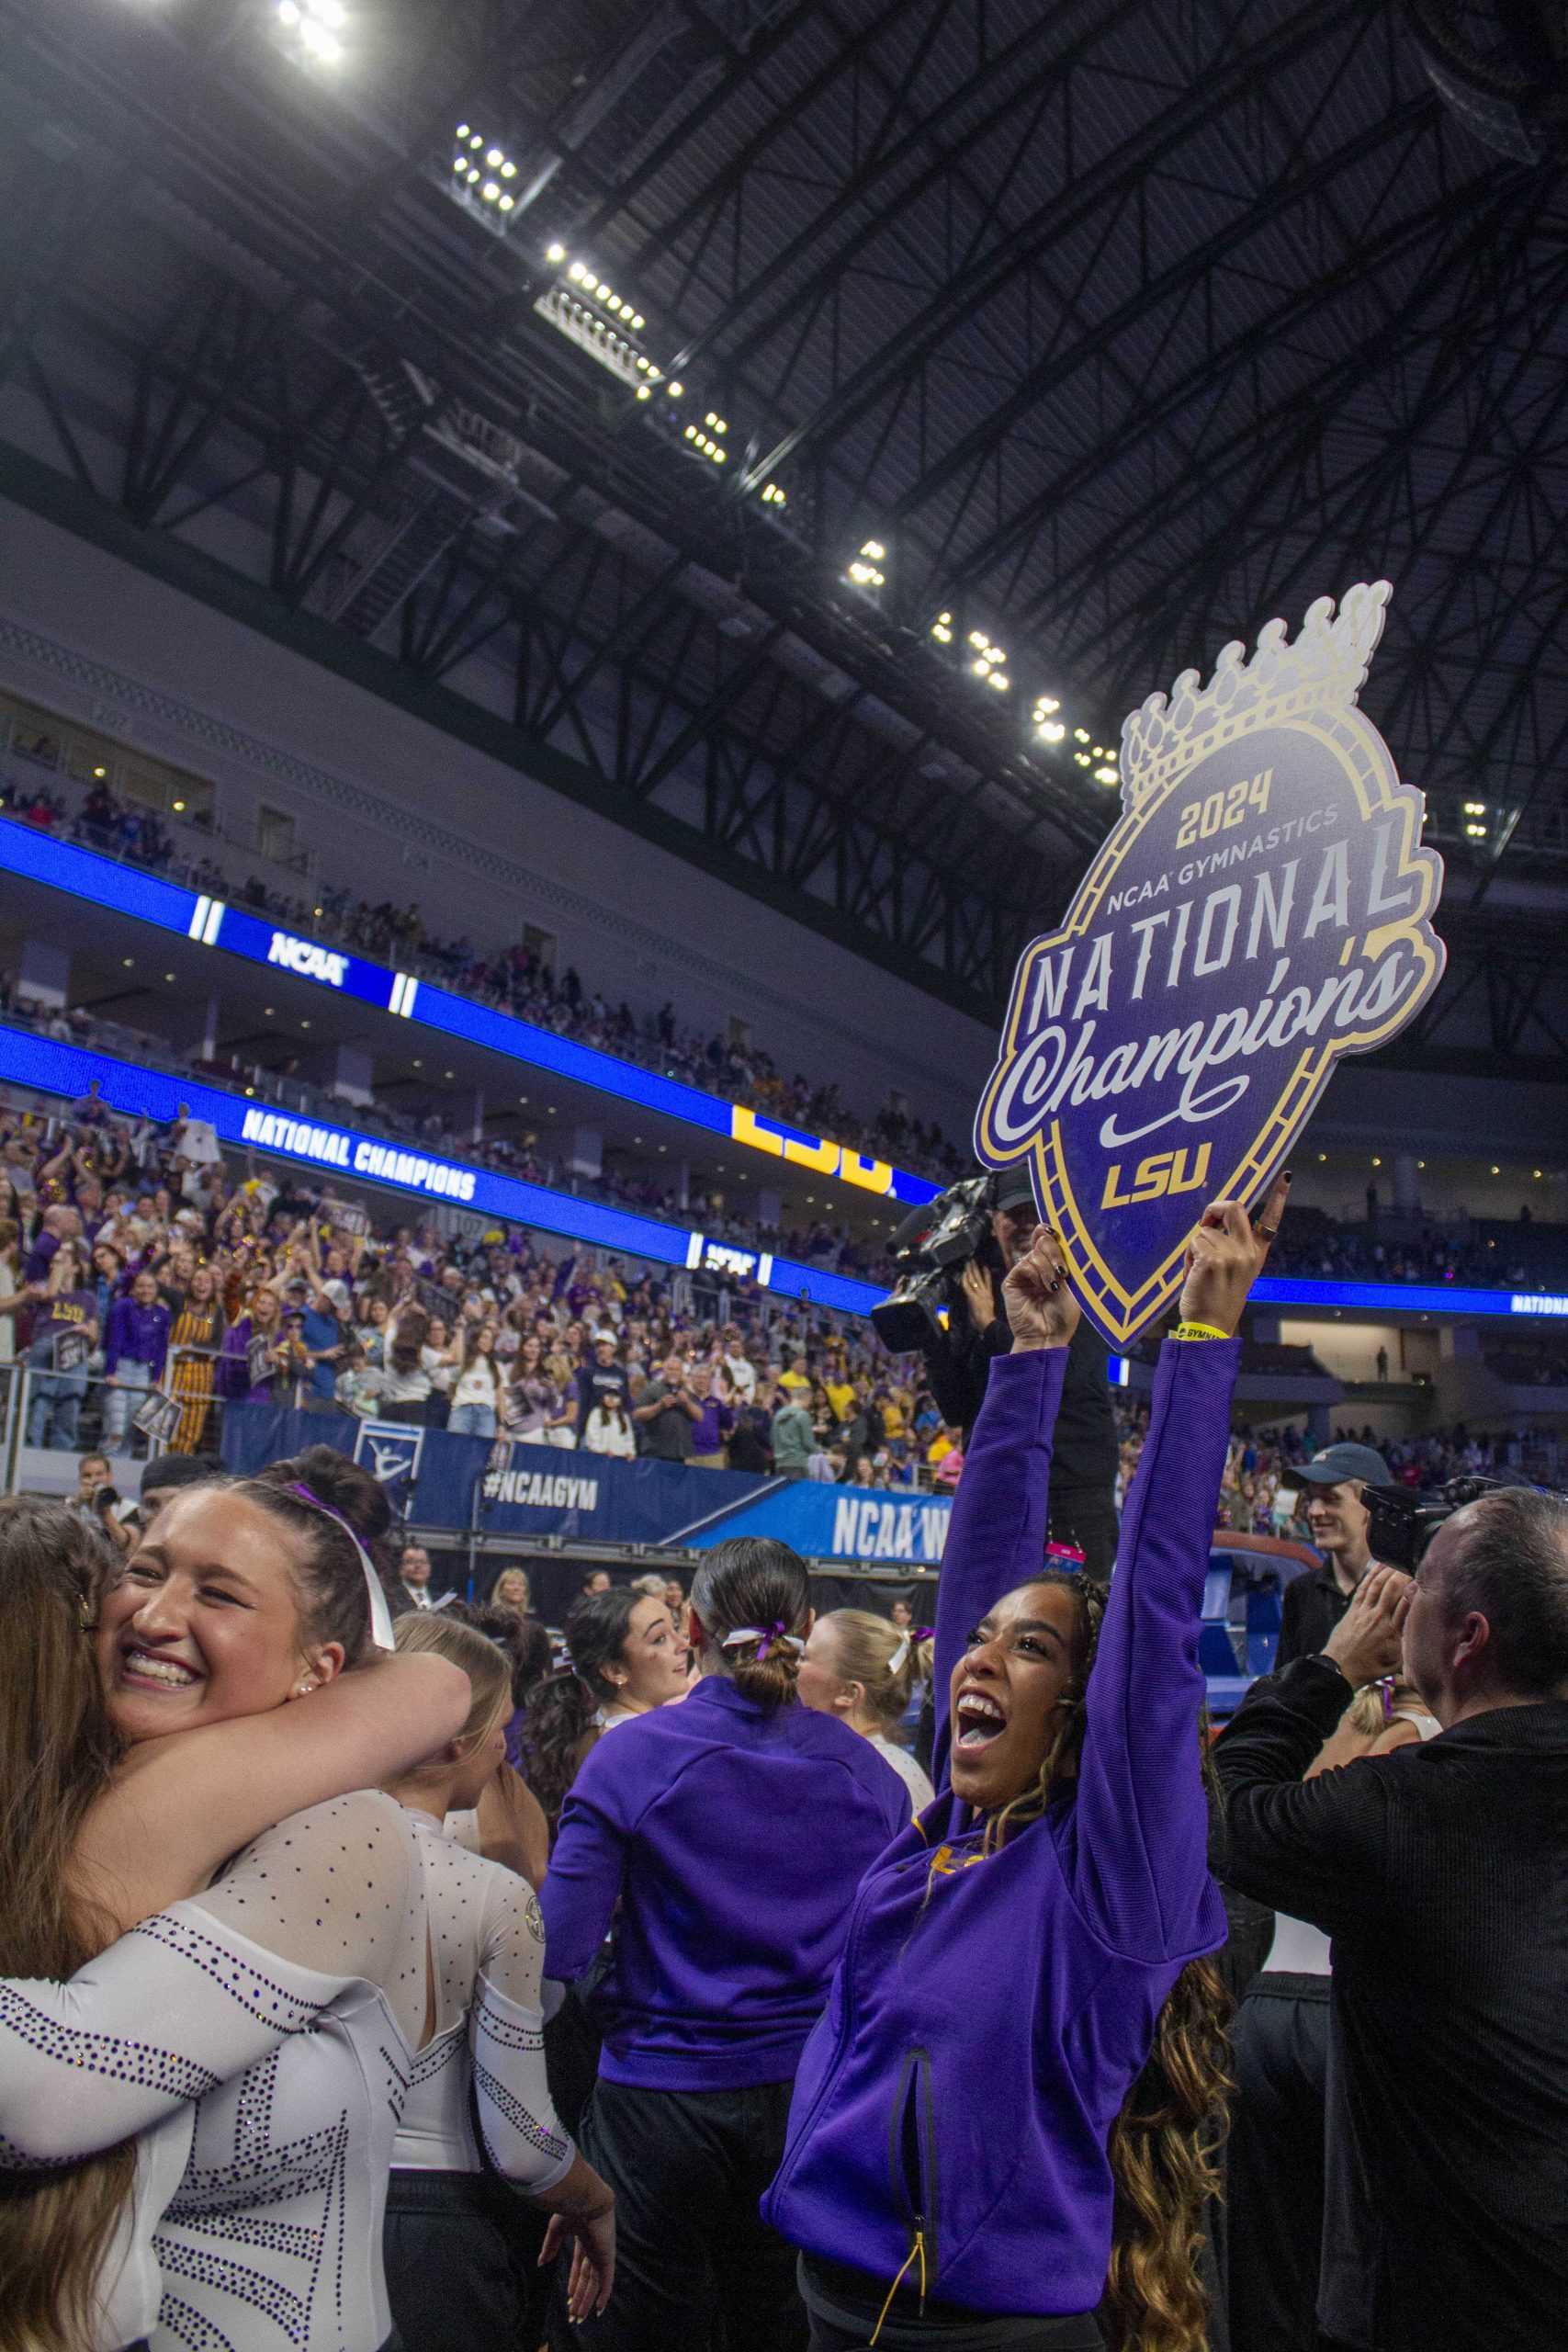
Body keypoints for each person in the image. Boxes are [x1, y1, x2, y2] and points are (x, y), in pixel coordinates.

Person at [762, 1188, 1287, 2352]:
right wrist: (1032, 1354)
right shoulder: (947, 1827)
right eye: (981, 1640)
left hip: (987, 2333)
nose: (979, 1659)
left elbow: (1151, 1612)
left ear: (1083, 1709)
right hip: (828, 2304)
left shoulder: (1110, 1883)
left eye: (1032, 1647)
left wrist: (1199, 1342)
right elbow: (980, 1577)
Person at [0, 1461, 474, 2352]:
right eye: (144, 1570)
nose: (155, 1614)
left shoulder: (347, 1833)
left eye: (217, 1593)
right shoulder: (62, 1780)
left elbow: (54, 2088)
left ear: (318, 1668)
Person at [1213, 1487, 1568, 2352]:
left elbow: (1223, 1812)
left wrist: (1329, 1667)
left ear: (1467, 1636)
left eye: (1426, 1586)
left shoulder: (1403, 1807)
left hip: (1436, 2296)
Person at [541, 1536, 912, 2352]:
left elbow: (556, 1951)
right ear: (806, 1625)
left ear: (694, 1622)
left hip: (656, 2103)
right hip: (806, 2102)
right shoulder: (871, 1776)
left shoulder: (631, 1756)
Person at [382, 1612, 616, 2348]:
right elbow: (520, 2140)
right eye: (499, 1732)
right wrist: (594, 2198)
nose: (502, 1751)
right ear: (455, 1738)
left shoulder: (271, 1851)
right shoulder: (489, 1895)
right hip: (427, 2232)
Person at [1224, 1668, 1439, 2352]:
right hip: (1338, 2013)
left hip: (1262, 2012)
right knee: (1352, 2253)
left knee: (1265, 2253)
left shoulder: (1326, 1752)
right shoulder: (1427, 1748)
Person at [525, 1587, 692, 1825]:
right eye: (659, 1639)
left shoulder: (593, 1730)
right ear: (615, 1671)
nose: (683, 1644)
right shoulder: (639, 1747)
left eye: (675, 1628)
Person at [797, 1607, 936, 1811]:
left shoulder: (886, 1778)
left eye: (803, 1657)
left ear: (848, 1693)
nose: (790, 1665)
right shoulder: (836, 1763)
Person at [1275, 1442, 1393, 1665]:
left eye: (1331, 1499)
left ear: (1373, 1506)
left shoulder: (1405, 1593)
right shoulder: (1300, 1593)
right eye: (1311, 1499)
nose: (1314, 1511)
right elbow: (1282, 1693)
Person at [101, 1266, 171, 1450]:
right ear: (133, 1288)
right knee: (115, 1427)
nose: (145, 1291)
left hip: (143, 1372)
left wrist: (156, 1378)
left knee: (132, 1426)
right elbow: (114, 1339)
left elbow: (160, 1349)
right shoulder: (122, 1306)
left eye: (150, 1286)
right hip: (121, 1368)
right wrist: (110, 1371)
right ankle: (104, 1464)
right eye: (141, 1286)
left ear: (156, 1290)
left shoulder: (162, 1315)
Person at [631, 1352, 702, 1461]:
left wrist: (687, 1403)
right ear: (663, 1371)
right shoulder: (652, 1388)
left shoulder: (686, 1390)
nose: (673, 1373)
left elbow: (699, 1416)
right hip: (655, 1452)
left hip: (680, 1453)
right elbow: (637, 1414)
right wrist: (659, 1406)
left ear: (681, 1372)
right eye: (670, 1369)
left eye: (676, 1370)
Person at [449, 1321, 507, 1437]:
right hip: (462, 1410)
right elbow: (451, 1387)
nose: (487, 1342)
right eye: (484, 1337)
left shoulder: (497, 1366)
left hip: (486, 1414)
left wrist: (502, 1424)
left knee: (481, 1451)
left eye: (491, 1339)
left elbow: (501, 1398)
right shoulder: (463, 1362)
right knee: (455, 1446)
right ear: (476, 1339)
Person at [771, 1386, 817, 1479]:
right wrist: (822, 1454)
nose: (810, 1404)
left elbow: (772, 1440)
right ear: (806, 1398)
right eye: (810, 1400)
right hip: (797, 1464)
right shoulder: (803, 1415)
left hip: (780, 1464)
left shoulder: (778, 1414)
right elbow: (808, 1444)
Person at [391, 1540, 436, 1611]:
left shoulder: (438, 1597)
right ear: (401, 1568)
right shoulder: (391, 1598)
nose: (418, 1566)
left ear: (430, 1567)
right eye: (411, 1562)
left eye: (423, 1562)